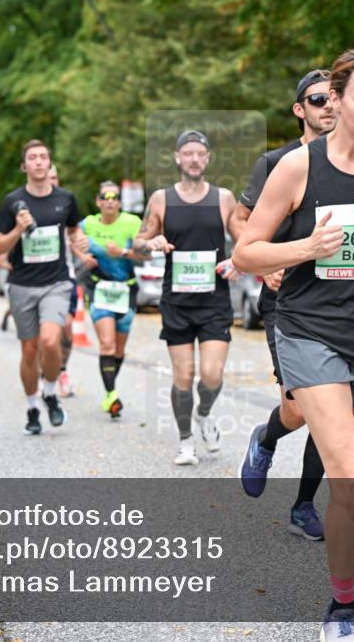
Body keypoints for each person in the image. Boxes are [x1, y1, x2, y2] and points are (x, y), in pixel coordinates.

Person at [232, 48, 354, 640]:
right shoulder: (297, 168)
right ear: (334, 99)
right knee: (351, 478)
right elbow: (246, 251)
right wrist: (305, 250)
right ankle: (341, 608)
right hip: (309, 331)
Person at [234, 69, 336, 542]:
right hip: (286, 300)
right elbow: (242, 220)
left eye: (335, 97)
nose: (328, 106)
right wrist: (266, 263)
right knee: (298, 410)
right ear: (300, 109)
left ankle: (303, 506)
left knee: (332, 404)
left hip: (339, 302)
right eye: (318, 99)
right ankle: (266, 437)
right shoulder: (277, 161)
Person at [132, 130, 241, 466]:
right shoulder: (161, 200)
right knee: (182, 376)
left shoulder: (223, 198)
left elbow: (248, 240)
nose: (194, 159)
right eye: (188, 153)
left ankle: (204, 414)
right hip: (177, 302)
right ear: (178, 158)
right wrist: (150, 244)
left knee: (211, 374)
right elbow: (137, 243)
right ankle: (185, 441)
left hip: (214, 302)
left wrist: (239, 261)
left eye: (200, 153)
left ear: (207, 159)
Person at [0, 141, 87, 435]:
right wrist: (19, 230)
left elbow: (74, 231)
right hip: (22, 285)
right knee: (29, 350)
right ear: (24, 166)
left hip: (56, 283)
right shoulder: (12, 201)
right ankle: (33, 406)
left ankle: (50, 392)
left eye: (43, 157)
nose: (38, 162)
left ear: (50, 164)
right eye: (32, 158)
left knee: (51, 341)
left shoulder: (65, 199)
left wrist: (80, 244)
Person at [76, 181, 147, 418]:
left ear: (119, 202)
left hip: (126, 290)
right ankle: (111, 394)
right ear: (98, 202)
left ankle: (109, 388)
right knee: (106, 344)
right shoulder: (88, 223)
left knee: (118, 349)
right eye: (104, 197)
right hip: (99, 287)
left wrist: (124, 253)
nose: (109, 201)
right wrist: (83, 256)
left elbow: (145, 255)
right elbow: (72, 239)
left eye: (114, 197)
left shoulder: (132, 223)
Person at [50, 164, 77, 398]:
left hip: (66, 276)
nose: (52, 180)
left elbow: (77, 235)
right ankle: (46, 372)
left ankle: (62, 371)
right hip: (36, 281)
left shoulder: (67, 203)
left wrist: (85, 253)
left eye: (55, 177)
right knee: (46, 335)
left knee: (67, 329)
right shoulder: (23, 205)